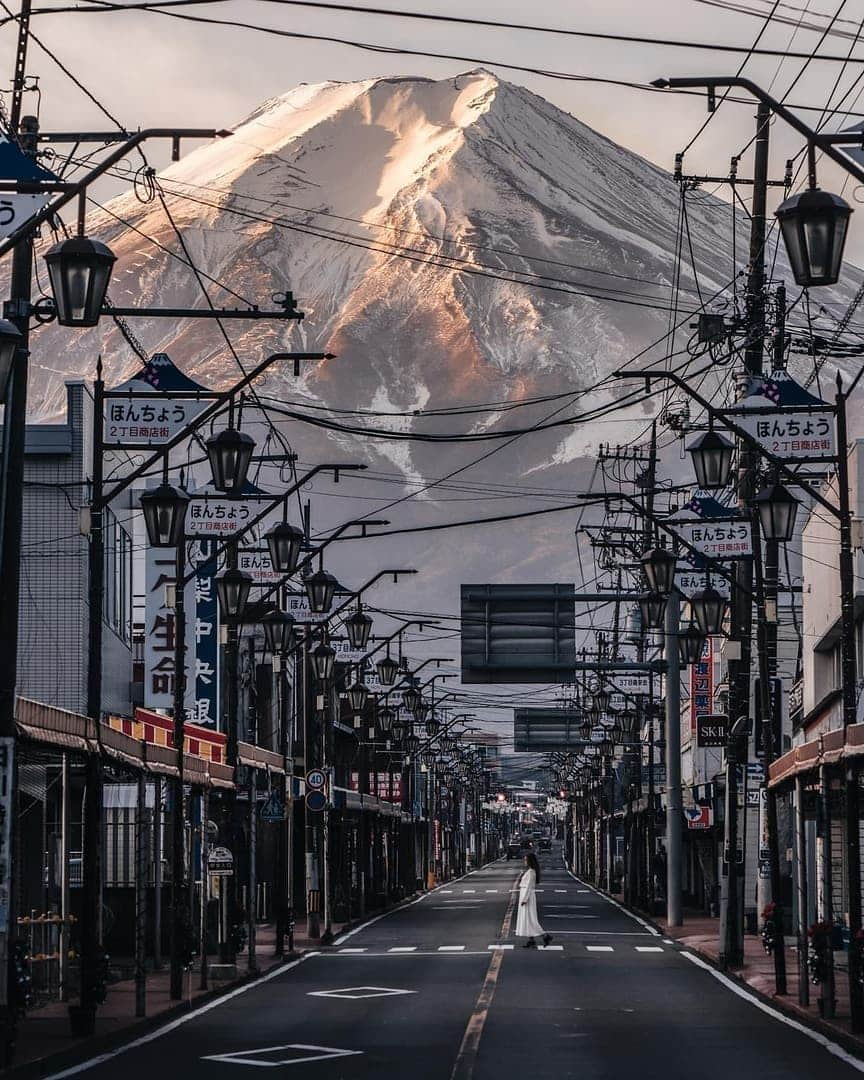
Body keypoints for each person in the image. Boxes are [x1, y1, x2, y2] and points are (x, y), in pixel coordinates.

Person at [516, 852, 551, 948]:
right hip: (526, 895)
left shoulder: (531, 872)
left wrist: (524, 899)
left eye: (526, 860)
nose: (524, 861)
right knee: (527, 918)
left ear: (530, 861)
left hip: (528, 897)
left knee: (531, 918)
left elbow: (528, 887)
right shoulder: (530, 871)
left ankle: (545, 936)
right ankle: (531, 940)